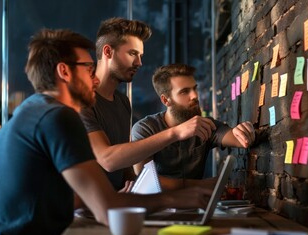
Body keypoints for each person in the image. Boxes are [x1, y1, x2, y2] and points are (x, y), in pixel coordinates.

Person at [0, 29, 212, 235]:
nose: (95, 79)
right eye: (89, 69)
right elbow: (107, 210)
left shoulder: (35, 109)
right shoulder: (57, 116)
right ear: (64, 71)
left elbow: (68, 198)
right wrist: (175, 198)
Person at [80, 18, 218, 191]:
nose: (139, 62)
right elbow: (108, 160)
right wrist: (176, 132)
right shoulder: (82, 101)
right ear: (108, 52)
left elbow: (124, 170)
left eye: (140, 56)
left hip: (117, 204)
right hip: (87, 212)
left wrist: (136, 190)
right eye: (132, 53)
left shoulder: (122, 102)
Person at [132, 63, 255, 179]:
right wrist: (200, 186)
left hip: (198, 200)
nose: (195, 96)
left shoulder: (204, 124)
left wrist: (245, 130)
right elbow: (144, 180)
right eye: (185, 91)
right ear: (166, 100)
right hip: (157, 202)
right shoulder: (145, 129)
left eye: (194, 89)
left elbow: (239, 139)